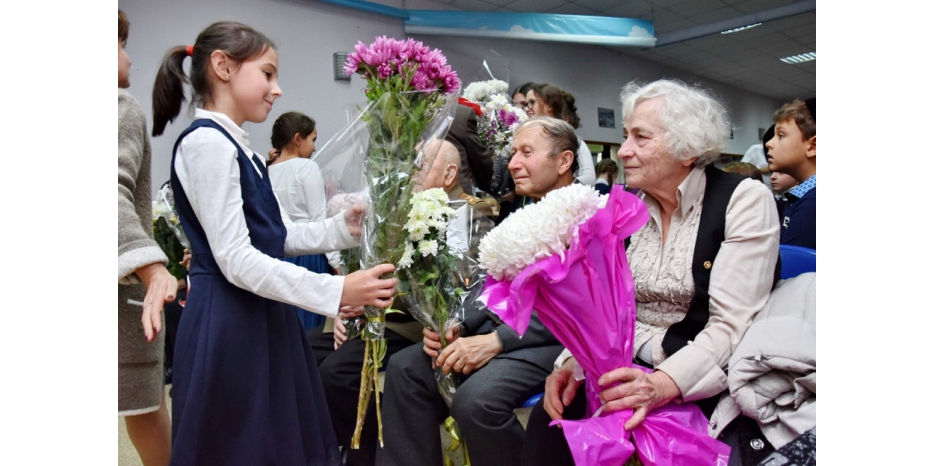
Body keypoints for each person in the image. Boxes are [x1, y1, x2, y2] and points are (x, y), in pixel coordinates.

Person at [150, 21, 398, 465]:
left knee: (274, 438)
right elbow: (237, 259)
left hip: (259, 312)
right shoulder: (208, 143)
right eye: (267, 74)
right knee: (244, 441)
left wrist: (343, 227)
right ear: (222, 67)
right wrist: (336, 291)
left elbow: (275, 237)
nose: (277, 89)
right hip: (230, 320)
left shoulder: (237, 145)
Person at [521, 79, 780, 466]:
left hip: (698, 373)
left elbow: (731, 325)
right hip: (623, 369)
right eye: (626, 136)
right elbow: (600, 309)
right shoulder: (626, 209)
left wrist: (659, 384)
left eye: (641, 137)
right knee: (550, 422)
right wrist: (571, 363)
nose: (624, 151)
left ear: (687, 147)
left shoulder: (742, 199)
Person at [375, 118, 574, 466]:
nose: (512, 163)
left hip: (555, 339)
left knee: (476, 401)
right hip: (506, 327)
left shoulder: (585, 213)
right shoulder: (520, 210)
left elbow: (576, 307)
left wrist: (498, 340)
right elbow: (492, 286)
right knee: (407, 367)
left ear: (564, 161)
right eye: (512, 152)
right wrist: (458, 325)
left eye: (526, 152)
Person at [307, 139, 495, 466]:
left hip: (415, 326)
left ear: (450, 173)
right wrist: (349, 306)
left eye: (422, 163)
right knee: (305, 349)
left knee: (337, 374)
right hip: (386, 316)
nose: (413, 170)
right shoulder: (407, 209)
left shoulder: (469, 213)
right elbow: (380, 268)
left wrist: (373, 304)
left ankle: (364, 451)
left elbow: (461, 289)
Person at [117, 10, 175, 466]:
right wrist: (153, 269)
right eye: (119, 46)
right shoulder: (120, 108)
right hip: (126, 294)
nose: (128, 60)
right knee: (146, 407)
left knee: (144, 406)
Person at [267, 111, 340, 331]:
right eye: (313, 139)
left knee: (286, 326)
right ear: (298, 139)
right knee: (311, 326)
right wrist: (337, 264)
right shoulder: (307, 167)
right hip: (309, 255)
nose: (315, 148)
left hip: (279, 256)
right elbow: (319, 219)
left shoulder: (266, 171)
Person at [765, 98, 816, 250]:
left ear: (813, 146)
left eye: (781, 135)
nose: (769, 143)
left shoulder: (812, 205)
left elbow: (793, 268)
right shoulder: (803, 198)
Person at [524, 84, 596, 186]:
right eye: (526, 104)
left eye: (532, 102)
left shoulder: (575, 143)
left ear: (549, 105)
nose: (527, 109)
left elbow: (589, 179)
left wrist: (556, 193)